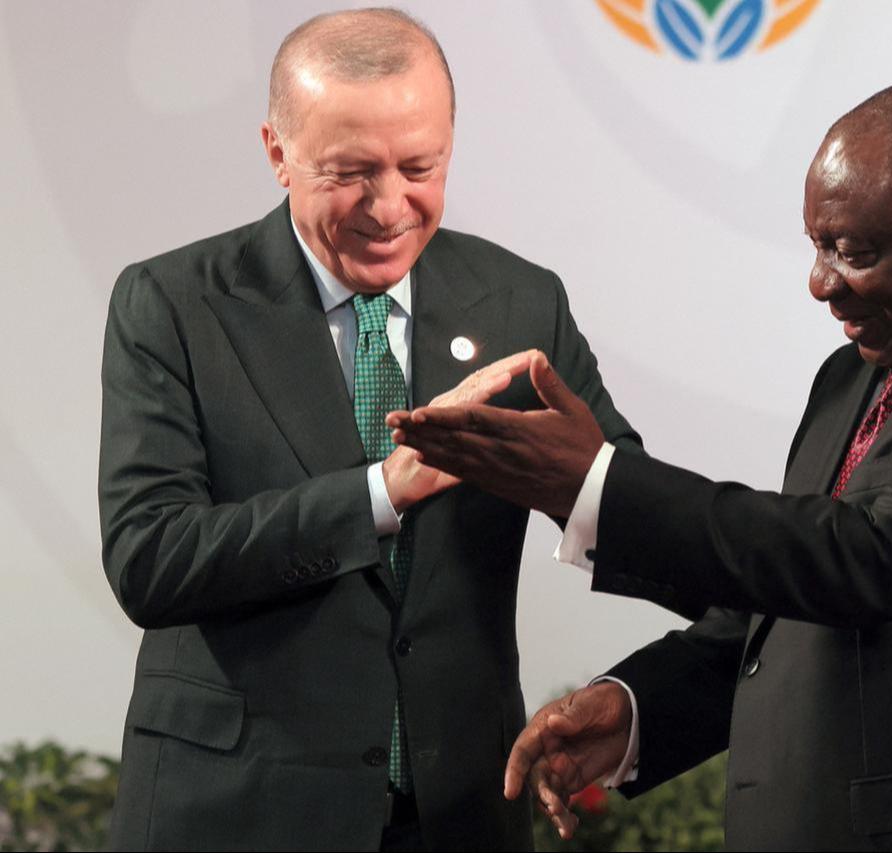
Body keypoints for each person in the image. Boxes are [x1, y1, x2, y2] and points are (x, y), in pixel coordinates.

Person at [390, 80, 892, 850]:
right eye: (816, 245)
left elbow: (864, 559)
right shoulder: (857, 374)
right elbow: (787, 605)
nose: (820, 283)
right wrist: (638, 707)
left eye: (854, 251)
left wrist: (594, 483)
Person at [98, 9, 639, 851]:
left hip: (459, 811)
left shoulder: (522, 301)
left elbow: (624, 499)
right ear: (279, 152)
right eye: (350, 172)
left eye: (420, 166)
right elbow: (150, 557)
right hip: (236, 812)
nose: (390, 208)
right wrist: (381, 493)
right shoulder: (172, 305)